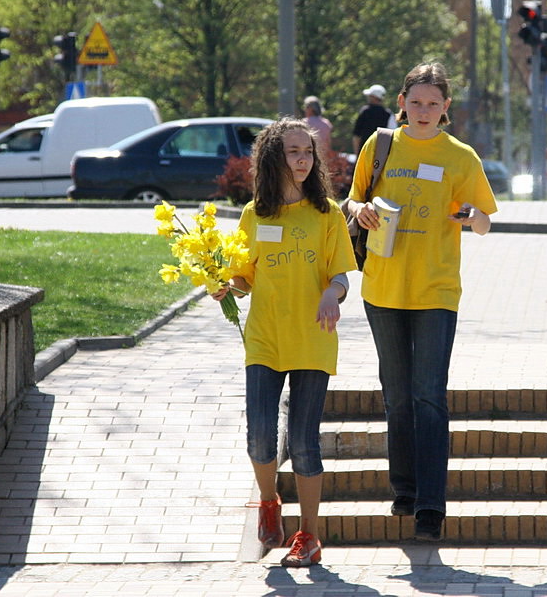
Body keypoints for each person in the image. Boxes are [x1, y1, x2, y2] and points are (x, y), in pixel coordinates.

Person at [346, 62, 498, 541]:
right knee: (396, 396)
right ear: (401, 103)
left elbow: (485, 222)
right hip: (383, 287)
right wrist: (362, 209)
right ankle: (405, 491)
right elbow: (349, 201)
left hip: (435, 290)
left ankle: (431, 507)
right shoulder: (380, 144)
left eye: (434, 103)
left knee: (428, 396)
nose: (425, 111)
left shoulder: (461, 156)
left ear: (446, 107)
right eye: (416, 103)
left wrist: (472, 216)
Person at [212, 118, 357, 567]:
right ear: (273, 157)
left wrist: (331, 296)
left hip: (314, 338)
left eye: (307, 152)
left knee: (304, 442)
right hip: (265, 339)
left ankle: (308, 536)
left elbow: (340, 276)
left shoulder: (327, 213)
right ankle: (269, 500)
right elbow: (244, 279)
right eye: (293, 151)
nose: (302, 159)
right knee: (260, 437)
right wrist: (224, 284)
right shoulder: (255, 214)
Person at [351, 83, 394, 154]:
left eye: (370, 96)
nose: (368, 98)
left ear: (374, 97)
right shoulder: (388, 114)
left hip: (365, 151)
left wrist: (357, 154)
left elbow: (356, 136)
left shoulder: (365, 111)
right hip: (381, 154)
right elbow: (392, 136)